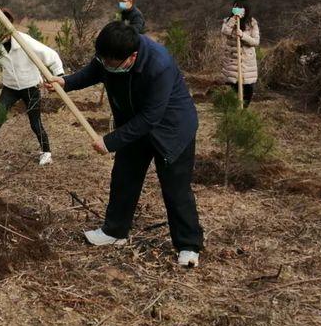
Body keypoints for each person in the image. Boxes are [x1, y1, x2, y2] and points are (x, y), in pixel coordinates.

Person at [44, 21, 203, 267]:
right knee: (124, 178)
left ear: (132, 57)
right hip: (134, 126)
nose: (105, 65)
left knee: (175, 188)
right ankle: (114, 231)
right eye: (103, 59)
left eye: (111, 62)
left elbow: (151, 117)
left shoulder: (158, 65)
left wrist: (110, 141)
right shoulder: (111, 52)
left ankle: (188, 245)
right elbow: (93, 71)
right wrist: (66, 82)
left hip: (171, 129)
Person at [0, 9, 64, 169]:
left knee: (35, 122)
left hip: (30, 86)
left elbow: (51, 56)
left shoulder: (24, 41)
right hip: (10, 88)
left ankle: (46, 152)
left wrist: (60, 76)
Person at [221, 0, 260, 107]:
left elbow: (256, 41)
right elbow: (225, 31)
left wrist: (243, 36)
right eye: (235, 7)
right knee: (233, 88)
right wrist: (234, 19)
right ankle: (233, 114)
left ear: (246, 9)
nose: (237, 9)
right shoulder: (228, 21)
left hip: (247, 63)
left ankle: (243, 114)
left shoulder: (252, 22)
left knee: (248, 89)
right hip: (232, 62)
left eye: (240, 7)